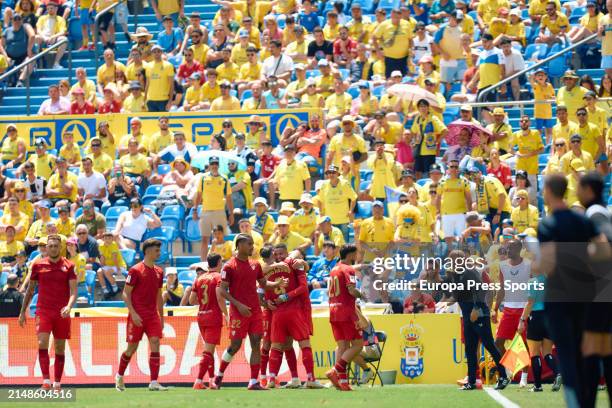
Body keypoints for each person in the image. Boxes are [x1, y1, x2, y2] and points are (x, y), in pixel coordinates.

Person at [537, 174, 606, 408]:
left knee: (565, 355)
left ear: (547, 191)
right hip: (585, 294)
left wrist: (534, 265)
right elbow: (604, 250)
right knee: (584, 352)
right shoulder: (582, 220)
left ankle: (575, 403)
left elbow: (547, 264)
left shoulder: (547, 224)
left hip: (559, 296)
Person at [213, 233, 286, 389]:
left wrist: (277, 283)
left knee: (255, 343)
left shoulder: (255, 264)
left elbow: (264, 283)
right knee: (235, 345)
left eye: (253, 243)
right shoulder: (229, 266)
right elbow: (221, 290)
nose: (252, 246)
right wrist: (238, 305)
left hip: (255, 312)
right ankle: (218, 376)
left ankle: (253, 381)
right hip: (238, 312)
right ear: (239, 245)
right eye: (249, 244)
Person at [444, 250, 510, 391]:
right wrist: (444, 303)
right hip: (467, 316)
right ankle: (472, 381)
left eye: (456, 259)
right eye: (452, 259)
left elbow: (481, 290)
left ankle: (504, 376)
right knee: (470, 348)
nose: (453, 262)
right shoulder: (455, 274)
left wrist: (475, 308)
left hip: (479, 314)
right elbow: (456, 296)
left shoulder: (469, 271)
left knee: (489, 345)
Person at [19, 234, 77, 390]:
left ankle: (57, 382)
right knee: (42, 342)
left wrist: (69, 306)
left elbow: (73, 291)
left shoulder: (69, 266)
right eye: (50, 246)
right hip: (43, 311)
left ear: (60, 247)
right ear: (46, 248)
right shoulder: (38, 265)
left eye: (55, 246)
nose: (52, 248)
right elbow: (30, 291)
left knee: (59, 347)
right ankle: (46, 381)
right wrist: (22, 311)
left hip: (61, 313)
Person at [577, 172, 612, 407]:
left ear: (589, 189)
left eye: (579, 186)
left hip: (599, 289)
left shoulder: (594, 213)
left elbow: (604, 247)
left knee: (590, 348)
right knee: (606, 350)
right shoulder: (604, 211)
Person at [265, 244, 322, 389]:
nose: (279, 257)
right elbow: (303, 287)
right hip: (294, 310)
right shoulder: (293, 264)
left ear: (287, 253)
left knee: (282, 345)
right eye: (276, 254)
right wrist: (282, 298)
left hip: (278, 313)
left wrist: (268, 301)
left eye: (281, 254)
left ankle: (279, 378)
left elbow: (264, 289)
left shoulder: (268, 269)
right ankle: (310, 378)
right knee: (303, 344)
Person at [114, 239, 166, 391]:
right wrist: (133, 313)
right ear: (148, 251)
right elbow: (125, 293)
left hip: (152, 316)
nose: (159, 253)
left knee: (155, 342)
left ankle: (154, 382)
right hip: (137, 315)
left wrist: (161, 318)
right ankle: (119, 376)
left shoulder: (159, 272)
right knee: (132, 348)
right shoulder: (135, 270)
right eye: (157, 250)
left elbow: (159, 296)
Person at [492, 239, 532, 388]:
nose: (508, 250)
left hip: (524, 309)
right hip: (508, 309)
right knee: (498, 343)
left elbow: (533, 286)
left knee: (525, 344)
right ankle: (509, 369)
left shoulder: (528, 264)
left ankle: (524, 377)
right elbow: (501, 289)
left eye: (512, 248)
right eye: (507, 248)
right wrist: (495, 309)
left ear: (520, 248)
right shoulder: (502, 266)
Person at [325, 243, 363, 391]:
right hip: (346, 311)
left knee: (343, 346)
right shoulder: (348, 269)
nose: (357, 256)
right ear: (351, 255)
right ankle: (336, 369)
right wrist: (362, 295)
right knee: (358, 345)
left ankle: (342, 382)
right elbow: (352, 290)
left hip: (333, 310)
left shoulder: (334, 269)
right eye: (356, 253)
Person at [190, 254, 227, 389]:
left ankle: (211, 379)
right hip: (213, 317)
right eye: (221, 261)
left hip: (201, 316)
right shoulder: (218, 277)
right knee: (208, 351)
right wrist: (226, 315)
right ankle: (199, 380)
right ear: (218, 262)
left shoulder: (200, 278)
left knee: (209, 350)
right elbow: (220, 298)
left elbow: (191, 300)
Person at [193, 156, 233, 260]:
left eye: (216, 164)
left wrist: (231, 214)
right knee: (204, 239)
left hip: (219, 211)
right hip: (206, 211)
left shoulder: (224, 178)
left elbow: (228, 197)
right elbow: (199, 194)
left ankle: (221, 261)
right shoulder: (203, 178)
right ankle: (203, 263)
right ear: (209, 165)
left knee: (220, 239)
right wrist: (195, 209)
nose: (214, 166)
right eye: (212, 164)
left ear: (218, 165)